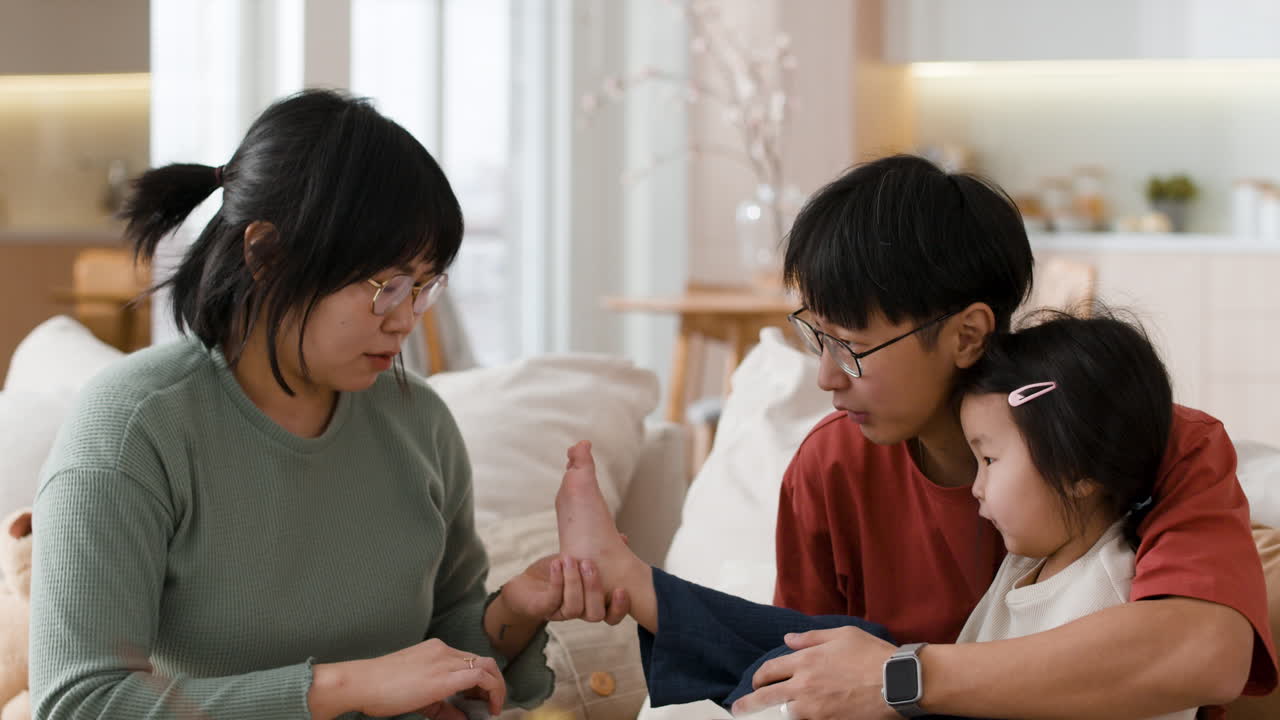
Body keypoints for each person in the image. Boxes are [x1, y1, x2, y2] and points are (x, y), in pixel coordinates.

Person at [561, 155, 1277, 719]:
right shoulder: (831, 466)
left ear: (967, 334)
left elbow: (1205, 653)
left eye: (853, 347)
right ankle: (643, 588)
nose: (826, 380)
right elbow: (807, 676)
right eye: (816, 338)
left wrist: (901, 678)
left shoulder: (1160, 442)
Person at [29, 89, 627, 720]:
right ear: (265, 254)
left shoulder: (419, 423)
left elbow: (451, 657)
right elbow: (80, 703)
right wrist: (345, 687)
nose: (405, 321)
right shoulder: (133, 427)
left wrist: (514, 611)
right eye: (385, 286)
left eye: (423, 287)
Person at [553, 312, 1197, 720]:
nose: (975, 485)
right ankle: (643, 590)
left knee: (828, 665)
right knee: (828, 644)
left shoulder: (1112, 594)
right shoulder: (1036, 561)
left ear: (1081, 474)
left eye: (991, 460)